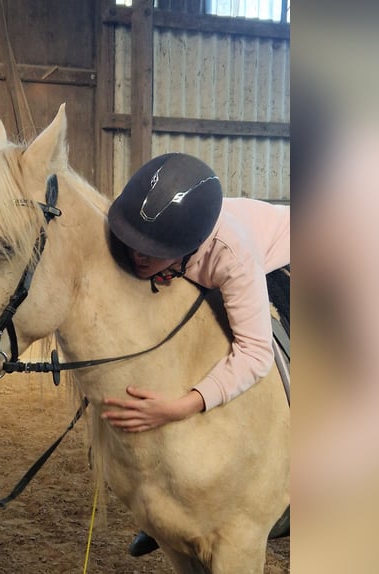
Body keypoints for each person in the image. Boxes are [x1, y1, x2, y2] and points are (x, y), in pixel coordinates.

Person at [102, 153, 290, 556]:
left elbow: (255, 352)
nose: (137, 254)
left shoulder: (231, 254)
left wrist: (182, 407)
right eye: (134, 240)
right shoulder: (138, 229)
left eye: (151, 248)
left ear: (186, 248)